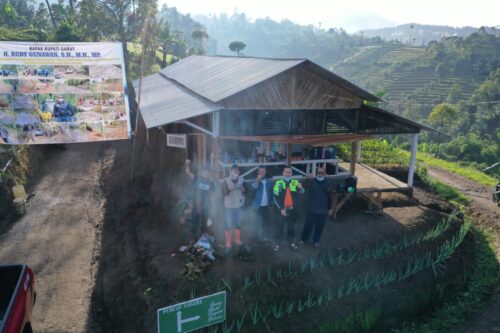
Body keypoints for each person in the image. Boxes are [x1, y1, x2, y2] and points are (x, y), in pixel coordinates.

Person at [272, 165, 304, 251]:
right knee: (279, 227)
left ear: (291, 173)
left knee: (291, 227)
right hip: (281, 210)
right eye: (286, 172)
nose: (287, 174)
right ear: (283, 173)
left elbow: (302, 192)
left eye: (289, 172)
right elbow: (275, 197)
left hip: (292, 209)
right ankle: (277, 243)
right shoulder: (278, 183)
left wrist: (301, 189)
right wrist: (281, 209)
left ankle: (291, 242)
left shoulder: (295, 182)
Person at [300, 167, 333, 248]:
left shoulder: (328, 184)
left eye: (322, 173)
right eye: (319, 173)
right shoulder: (311, 181)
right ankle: (303, 240)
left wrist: (330, 208)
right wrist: (307, 178)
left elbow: (330, 197)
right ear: (316, 173)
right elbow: (303, 187)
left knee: (319, 226)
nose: (320, 174)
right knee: (308, 225)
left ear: (325, 174)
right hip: (311, 208)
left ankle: (316, 241)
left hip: (323, 210)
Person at [185, 161, 216, 239]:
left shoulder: (211, 183)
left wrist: (213, 207)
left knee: (204, 224)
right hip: (196, 206)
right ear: (202, 172)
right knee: (194, 223)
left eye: (207, 172)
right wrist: (187, 165)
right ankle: (194, 239)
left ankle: (203, 239)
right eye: (204, 171)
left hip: (206, 207)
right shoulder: (197, 179)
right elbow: (188, 173)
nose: (206, 173)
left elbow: (212, 196)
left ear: (209, 173)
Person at [222, 164, 246, 253]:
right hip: (228, 205)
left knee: (238, 223)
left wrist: (243, 188)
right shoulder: (226, 180)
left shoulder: (242, 180)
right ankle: (228, 241)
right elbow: (224, 193)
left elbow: (245, 190)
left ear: (239, 172)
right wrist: (232, 188)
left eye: (237, 171)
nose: (235, 172)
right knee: (228, 223)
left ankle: (237, 239)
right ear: (230, 171)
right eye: (233, 171)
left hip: (238, 205)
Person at [251, 166, 273, 242]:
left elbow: (272, 193)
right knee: (256, 222)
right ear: (258, 172)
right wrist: (257, 180)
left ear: (265, 172)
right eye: (260, 171)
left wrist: (272, 204)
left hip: (267, 206)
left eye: (263, 171)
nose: (261, 173)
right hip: (257, 206)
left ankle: (264, 237)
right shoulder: (255, 181)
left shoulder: (269, 182)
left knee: (265, 222)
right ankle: (255, 238)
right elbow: (253, 188)